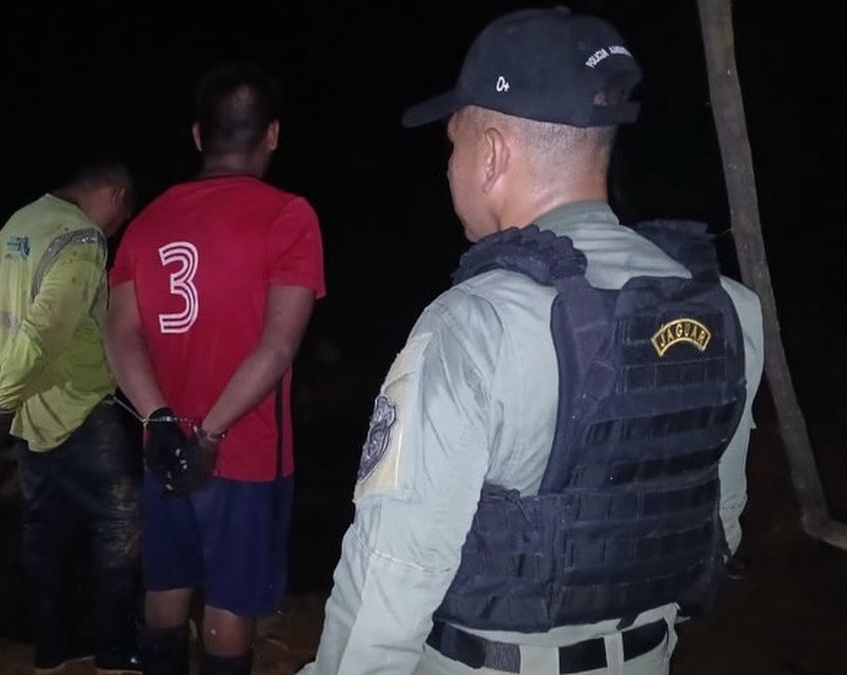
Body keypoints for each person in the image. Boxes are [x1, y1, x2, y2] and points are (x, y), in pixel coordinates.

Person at [303, 8, 764, 675]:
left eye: (454, 146)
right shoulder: (728, 310)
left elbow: (392, 579)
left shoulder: (473, 324)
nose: (450, 168)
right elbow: (719, 521)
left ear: (492, 154)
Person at [105, 63, 325, 675]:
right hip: (244, 450)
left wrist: (161, 421)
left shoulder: (146, 221)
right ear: (272, 135)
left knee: (167, 583)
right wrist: (209, 434)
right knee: (230, 601)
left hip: (164, 447)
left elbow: (119, 333)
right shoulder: (289, 216)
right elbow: (276, 348)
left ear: (199, 135)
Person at [0, 155, 141, 675]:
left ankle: (52, 647)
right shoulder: (82, 240)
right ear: (115, 196)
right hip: (79, 410)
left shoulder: (16, 224)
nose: (115, 229)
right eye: (121, 217)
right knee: (122, 523)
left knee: (45, 530)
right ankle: (114, 650)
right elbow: (43, 332)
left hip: (29, 420)